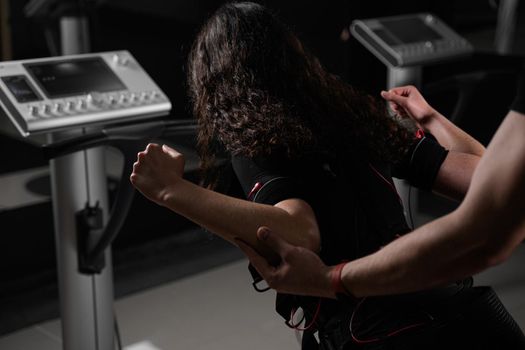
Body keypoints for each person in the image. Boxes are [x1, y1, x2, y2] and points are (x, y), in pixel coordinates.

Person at [130, 2, 525, 349]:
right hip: (466, 317)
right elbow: (491, 184)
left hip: (379, 333)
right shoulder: (355, 115)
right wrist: (434, 120)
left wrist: (171, 191)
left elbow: (300, 232)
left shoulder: (254, 145)